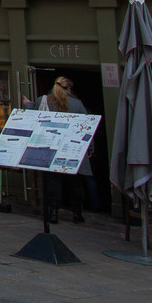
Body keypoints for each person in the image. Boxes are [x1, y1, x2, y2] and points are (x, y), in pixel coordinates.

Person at [39, 76, 93, 223]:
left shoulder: (44, 102)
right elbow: (87, 128)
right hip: (73, 148)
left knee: (54, 180)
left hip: (51, 148)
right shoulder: (77, 104)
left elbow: (34, 118)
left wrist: (28, 105)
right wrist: (90, 149)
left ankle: (54, 211)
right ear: (69, 88)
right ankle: (76, 213)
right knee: (76, 182)